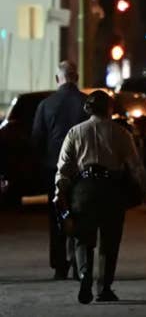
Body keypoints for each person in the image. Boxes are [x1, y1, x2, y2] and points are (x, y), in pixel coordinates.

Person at [53, 91, 146, 304]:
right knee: (110, 241)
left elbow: (63, 168)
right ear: (109, 108)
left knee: (82, 238)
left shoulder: (75, 132)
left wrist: (59, 192)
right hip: (111, 188)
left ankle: (84, 276)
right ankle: (104, 288)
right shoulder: (121, 133)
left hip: (83, 188)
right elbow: (136, 167)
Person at [32, 60, 88, 280]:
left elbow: (37, 140)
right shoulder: (86, 103)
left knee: (57, 216)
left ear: (58, 79)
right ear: (77, 77)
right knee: (81, 215)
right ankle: (79, 263)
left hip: (53, 169)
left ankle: (59, 266)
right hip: (82, 170)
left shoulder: (46, 105)